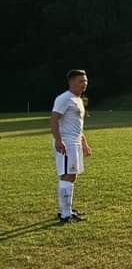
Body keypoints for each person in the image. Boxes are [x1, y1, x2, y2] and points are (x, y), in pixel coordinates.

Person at [51, 69, 92, 224]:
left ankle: (66, 210)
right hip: (67, 143)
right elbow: (54, 119)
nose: (84, 84)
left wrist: (84, 144)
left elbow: (77, 126)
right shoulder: (64, 98)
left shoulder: (78, 100)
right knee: (68, 175)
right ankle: (65, 214)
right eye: (81, 81)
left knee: (71, 176)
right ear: (72, 82)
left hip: (75, 143)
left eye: (86, 81)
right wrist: (58, 140)